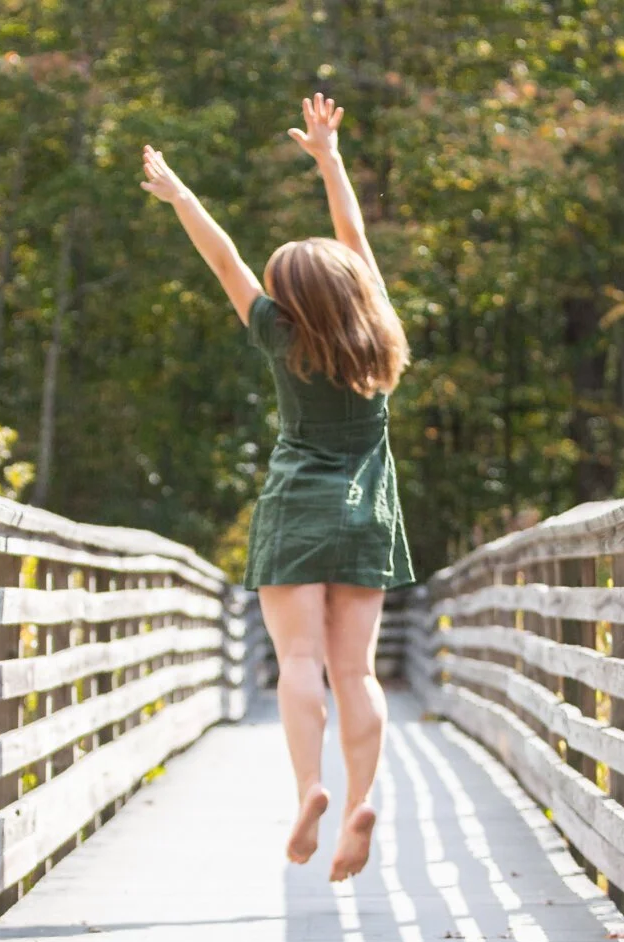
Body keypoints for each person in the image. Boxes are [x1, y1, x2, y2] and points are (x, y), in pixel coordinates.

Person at [141, 93, 413, 881]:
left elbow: (224, 261)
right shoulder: (382, 334)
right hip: (367, 515)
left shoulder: (278, 336)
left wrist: (181, 195)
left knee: (298, 661)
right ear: (355, 290)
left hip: (296, 508)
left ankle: (310, 789)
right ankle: (362, 796)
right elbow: (354, 238)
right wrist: (329, 159)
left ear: (286, 301)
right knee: (354, 670)